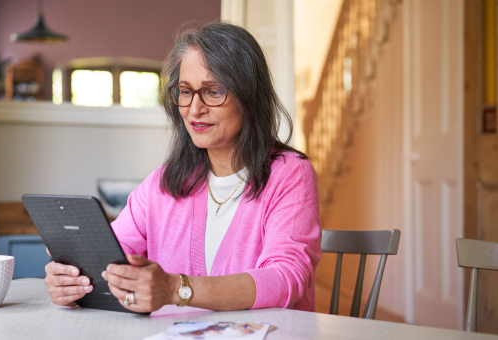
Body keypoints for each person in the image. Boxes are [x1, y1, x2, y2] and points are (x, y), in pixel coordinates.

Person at [43, 22, 321, 313]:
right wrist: (73, 281)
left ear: (249, 97)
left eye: (213, 91)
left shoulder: (290, 173)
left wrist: (176, 289)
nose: (194, 108)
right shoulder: (162, 183)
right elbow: (109, 259)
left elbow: (286, 278)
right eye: (185, 91)